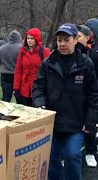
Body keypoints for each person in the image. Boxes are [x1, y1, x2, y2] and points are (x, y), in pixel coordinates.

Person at [32, 23, 98, 180]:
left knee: (71, 156)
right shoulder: (48, 63)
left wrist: (90, 121)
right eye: (59, 40)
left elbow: (94, 94)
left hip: (75, 124)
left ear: (75, 40)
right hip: (52, 123)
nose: (62, 43)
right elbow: (38, 87)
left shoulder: (85, 64)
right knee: (52, 158)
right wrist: (39, 102)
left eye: (66, 39)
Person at [76, 24, 98, 168]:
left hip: (91, 92)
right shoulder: (72, 51)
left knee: (90, 123)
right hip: (75, 95)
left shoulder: (94, 52)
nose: (75, 39)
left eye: (79, 37)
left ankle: (90, 152)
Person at [13, 28, 50, 106]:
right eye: (28, 38)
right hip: (24, 87)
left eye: (32, 38)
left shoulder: (44, 51)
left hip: (38, 86)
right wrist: (16, 87)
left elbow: (48, 71)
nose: (29, 40)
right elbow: (18, 70)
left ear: (36, 39)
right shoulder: (22, 51)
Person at [0, 30, 22, 102]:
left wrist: (1, 67)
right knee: (19, 98)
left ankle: (3, 112)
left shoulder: (1, 48)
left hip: (5, 74)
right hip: (17, 76)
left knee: (6, 97)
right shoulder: (22, 49)